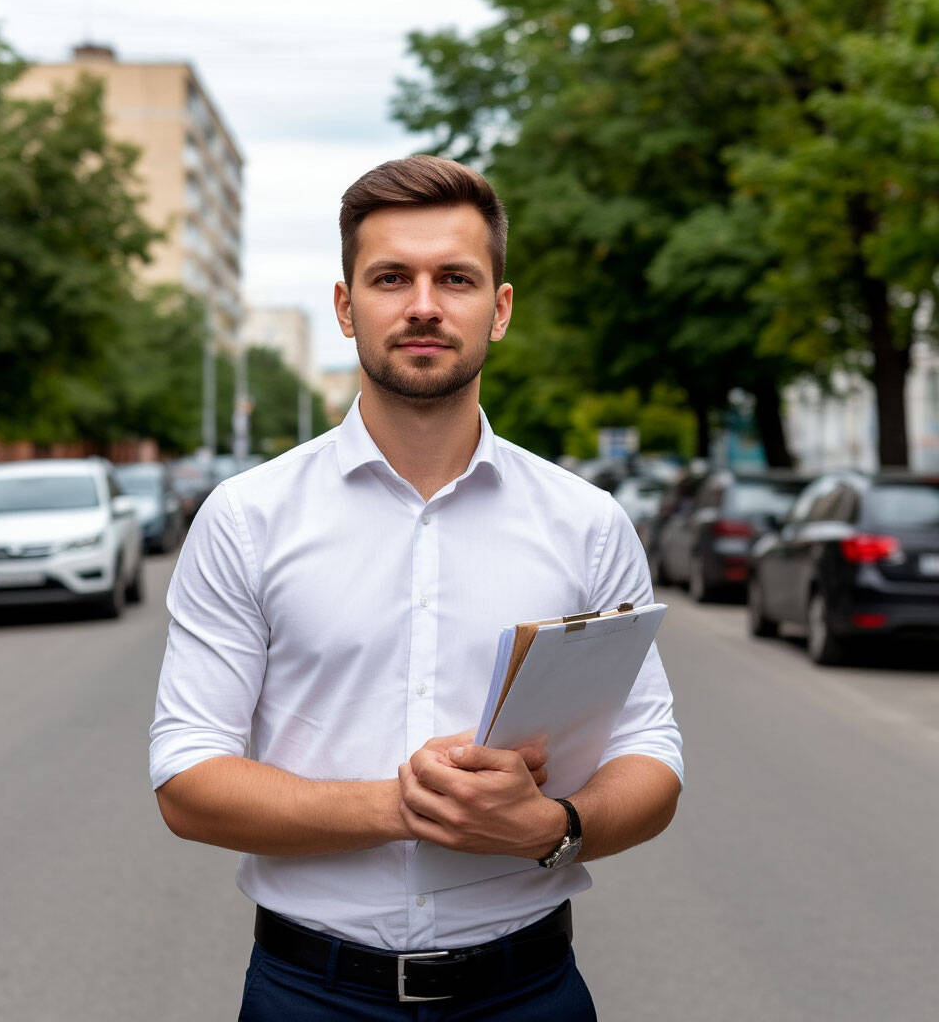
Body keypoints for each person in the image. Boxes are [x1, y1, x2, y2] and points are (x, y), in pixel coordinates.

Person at [149, 155, 683, 1020]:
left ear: (499, 309)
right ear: (345, 306)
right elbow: (186, 778)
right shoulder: (247, 518)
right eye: (392, 277)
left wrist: (554, 828)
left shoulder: (587, 522)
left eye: (456, 279)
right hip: (311, 996)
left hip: (529, 993)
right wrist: (408, 806)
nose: (424, 305)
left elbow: (651, 753)